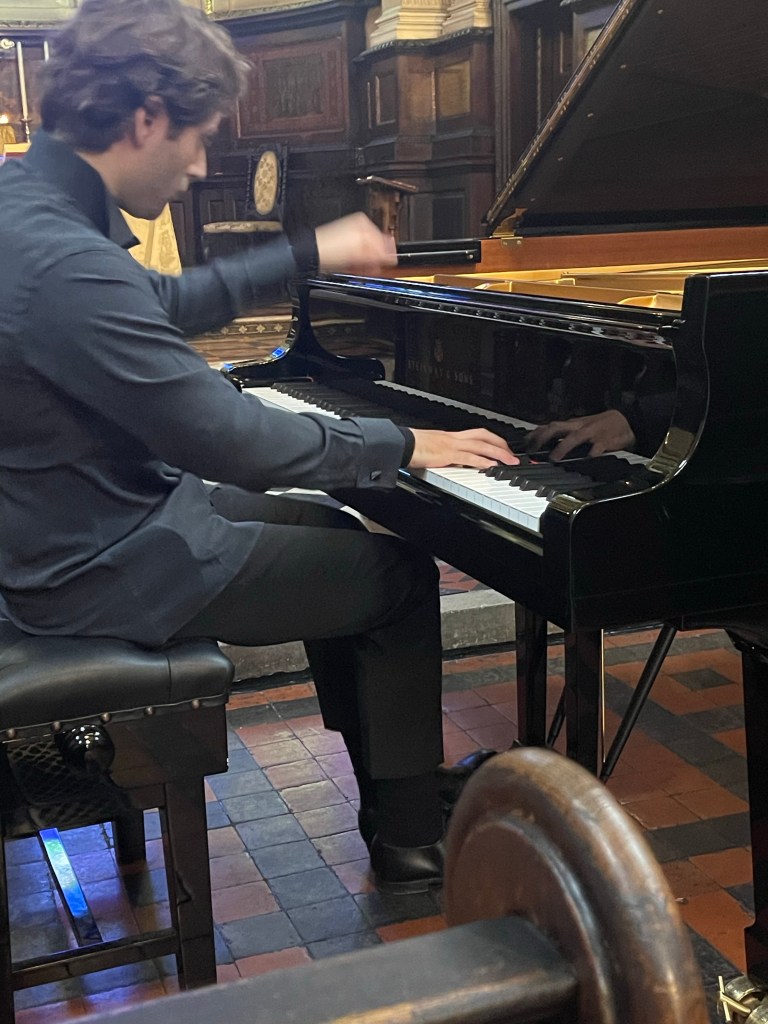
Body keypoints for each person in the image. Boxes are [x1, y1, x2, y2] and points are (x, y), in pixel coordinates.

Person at [0, 0, 517, 894]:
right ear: (146, 116)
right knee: (398, 579)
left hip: (80, 520)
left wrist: (307, 251)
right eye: (199, 138)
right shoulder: (60, 260)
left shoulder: (28, 208)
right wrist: (402, 443)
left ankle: (393, 792)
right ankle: (408, 834)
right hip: (97, 565)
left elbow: (162, 305)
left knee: (334, 527)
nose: (202, 166)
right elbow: (229, 439)